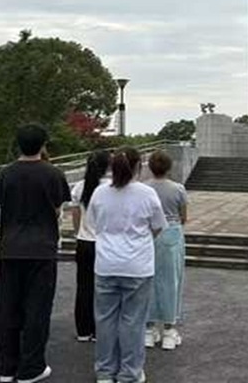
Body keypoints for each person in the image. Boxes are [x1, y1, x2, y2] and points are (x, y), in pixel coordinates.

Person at [0, 124, 70, 383]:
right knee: (37, 309)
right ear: (43, 144)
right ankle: (31, 367)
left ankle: (6, 367)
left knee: (7, 308)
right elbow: (58, 208)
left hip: (10, 247)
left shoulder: (5, 174)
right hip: (42, 248)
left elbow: (1, 204)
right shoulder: (54, 174)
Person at [87, 147, 167, 383]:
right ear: (137, 167)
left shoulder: (100, 193)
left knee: (105, 320)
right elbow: (159, 225)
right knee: (133, 321)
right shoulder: (147, 193)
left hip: (106, 263)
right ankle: (129, 372)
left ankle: (104, 371)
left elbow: (93, 224)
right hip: (137, 265)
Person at [143, 150, 188, 351]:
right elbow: (183, 216)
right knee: (172, 280)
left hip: (149, 234)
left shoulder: (144, 188)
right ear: (169, 167)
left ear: (150, 167)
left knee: (148, 279)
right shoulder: (178, 189)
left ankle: (149, 329)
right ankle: (169, 329)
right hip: (172, 232)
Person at [68, 150, 111, 342]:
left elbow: (75, 214)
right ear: (108, 166)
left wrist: (79, 232)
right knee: (105, 289)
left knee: (84, 287)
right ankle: (99, 330)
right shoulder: (111, 187)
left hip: (84, 242)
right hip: (105, 244)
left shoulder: (80, 187)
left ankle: (83, 330)